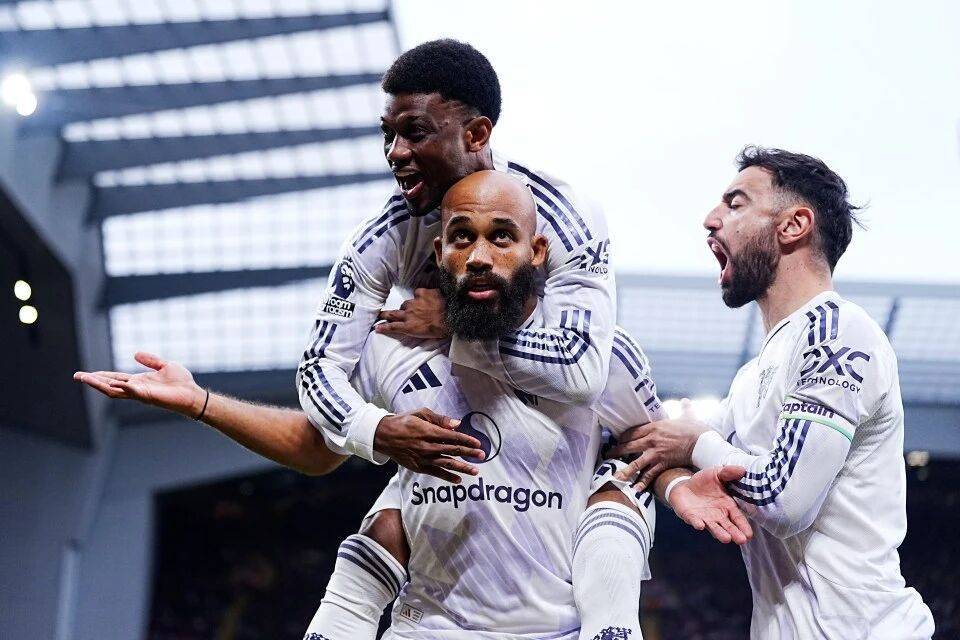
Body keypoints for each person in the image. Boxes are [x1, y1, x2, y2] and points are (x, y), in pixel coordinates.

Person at [76, 172, 751, 639]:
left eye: (501, 236)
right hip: (427, 629)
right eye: (462, 237)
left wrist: (677, 486)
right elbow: (316, 444)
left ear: (537, 251)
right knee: (389, 505)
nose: (480, 255)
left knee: (615, 490)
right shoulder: (389, 347)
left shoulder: (598, 356)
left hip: (554, 630)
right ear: (439, 251)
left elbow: (645, 449)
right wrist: (200, 402)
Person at [610, 147, 935, 639]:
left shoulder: (837, 332)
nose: (711, 219)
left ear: (793, 226)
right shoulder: (751, 377)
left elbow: (784, 499)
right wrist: (675, 481)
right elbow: (658, 446)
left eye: (736, 204)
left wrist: (695, 443)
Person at [295, 39, 618, 483]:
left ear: (477, 135)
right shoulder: (385, 236)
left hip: (571, 448)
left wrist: (452, 325)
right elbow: (318, 366)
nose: (395, 152)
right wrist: (376, 430)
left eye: (415, 132)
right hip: (460, 446)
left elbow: (581, 371)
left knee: (621, 354)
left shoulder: (563, 216)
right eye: (388, 134)